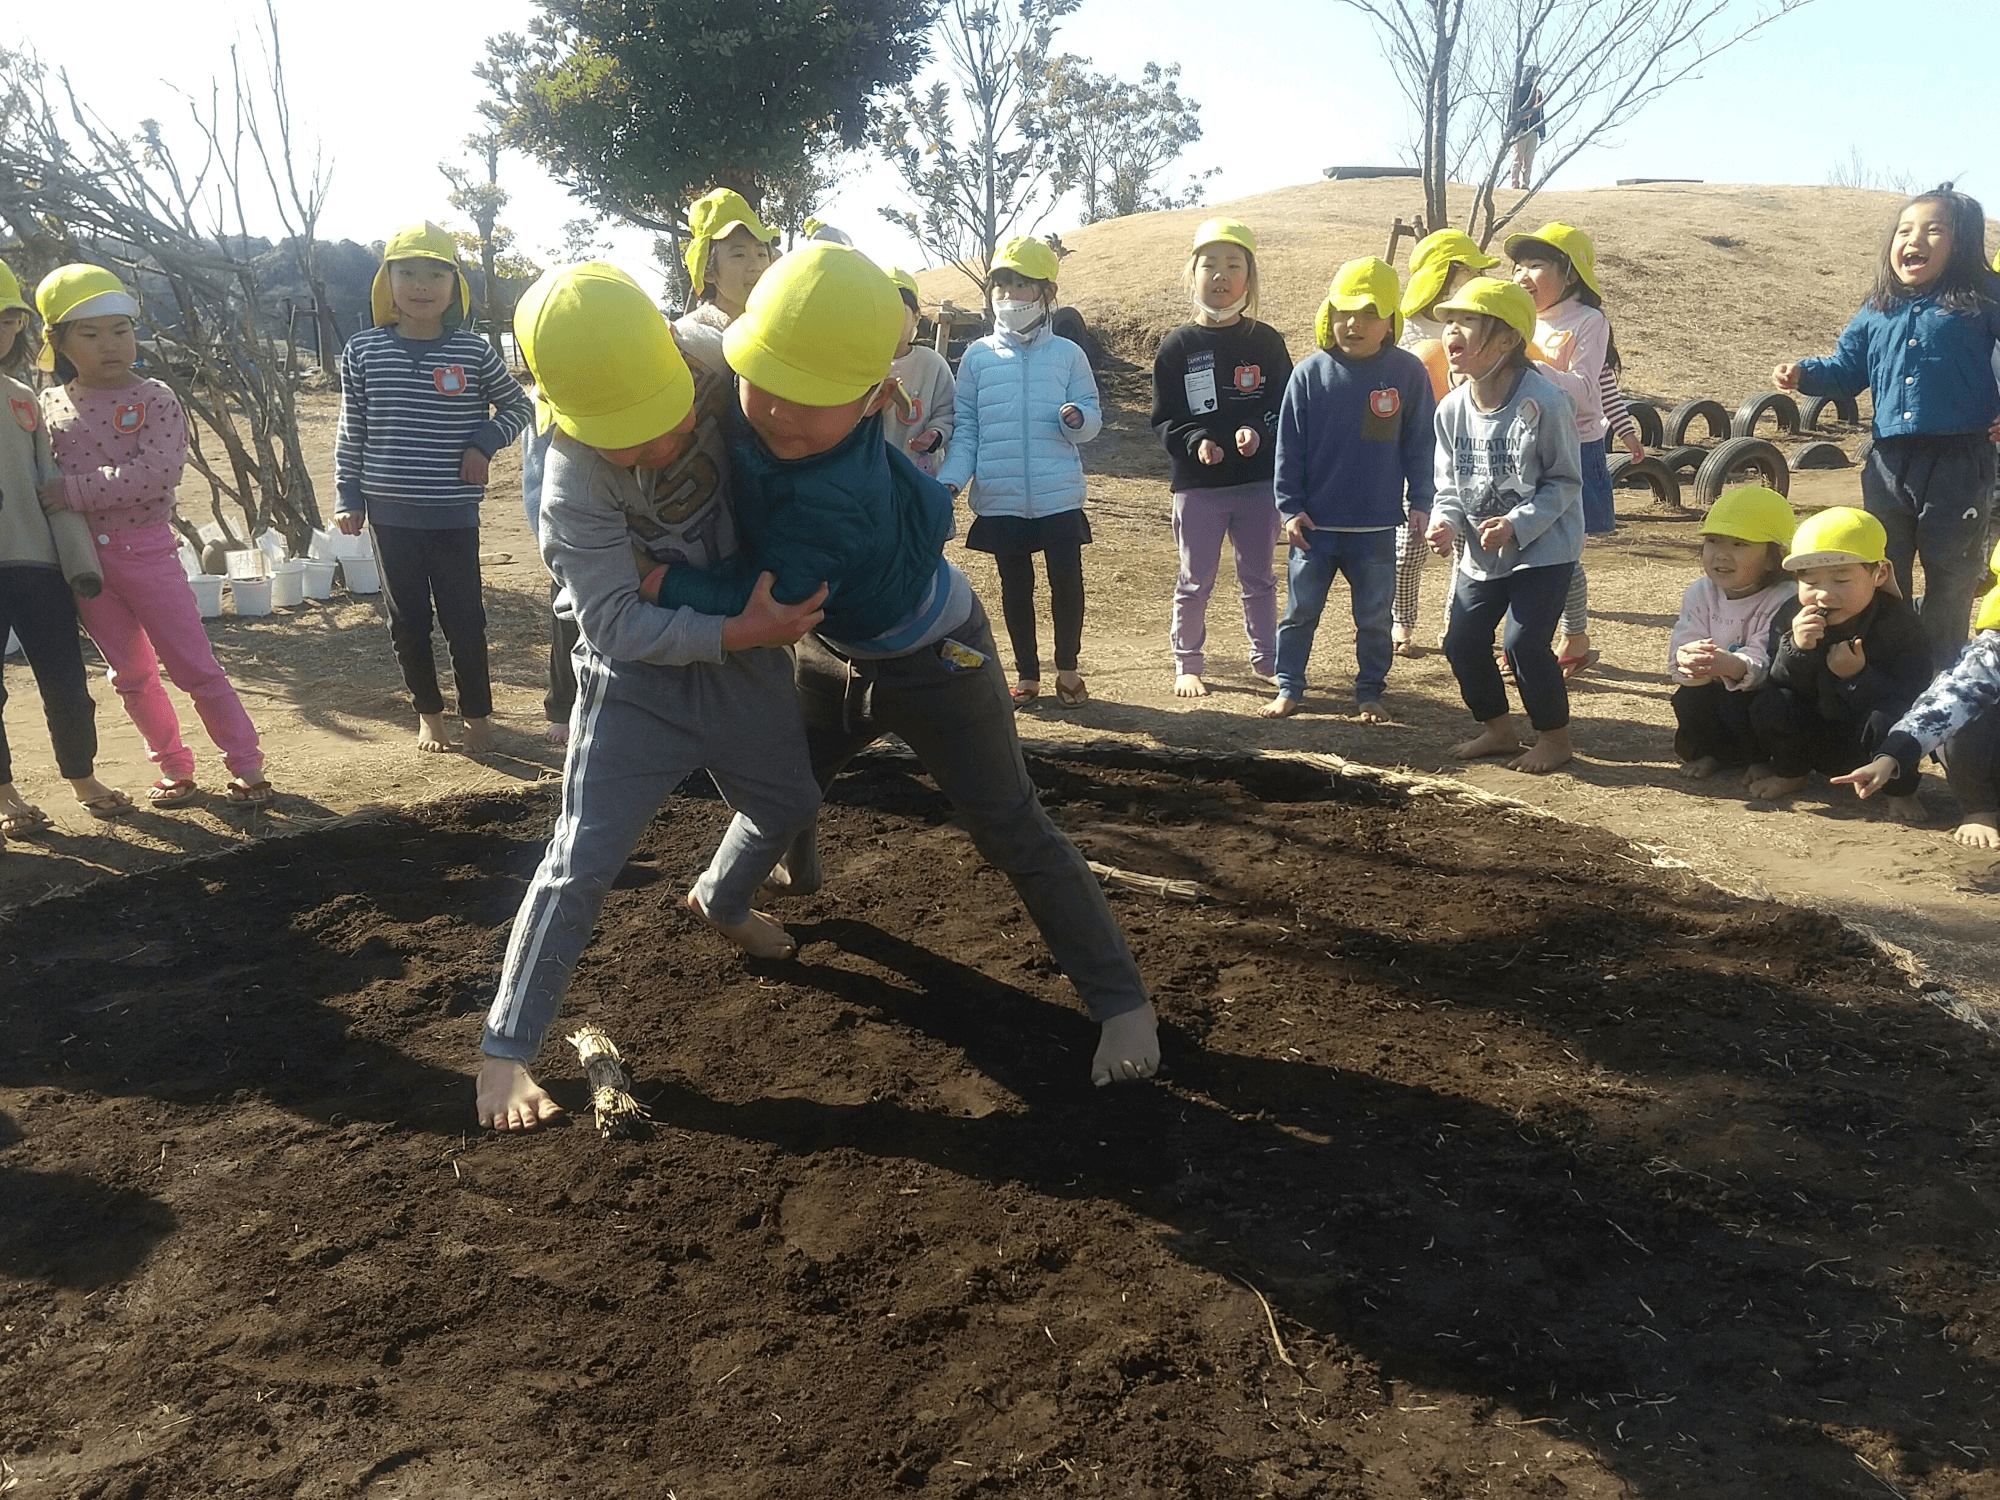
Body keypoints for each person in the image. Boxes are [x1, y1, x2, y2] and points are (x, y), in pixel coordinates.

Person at [676, 241, 1159, 1088]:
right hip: (833, 651)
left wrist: (662, 580)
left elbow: (762, 602)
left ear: (871, 400)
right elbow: (703, 352)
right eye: (766, 380)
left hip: (937, 662)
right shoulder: (757, 397)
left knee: (1010, 826)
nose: (781, 412)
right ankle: (724, 894)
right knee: (778, 781)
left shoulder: (837, 504)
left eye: (813, 398)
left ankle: (1122, 1001)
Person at [477, 261, 829, 1133]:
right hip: (636, 684)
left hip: (744, 658)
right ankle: (504, 1052)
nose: (661, 446)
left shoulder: (713, 354)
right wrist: (734, 631)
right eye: (626, 438)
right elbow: (611, 624)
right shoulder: (568, 479)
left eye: (666, 417)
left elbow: (797, 416)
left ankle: (724, 898)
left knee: (789, 798)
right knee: (582, 857)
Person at [35, 264, 271, 807]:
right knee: (131, 676)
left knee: (194, 666)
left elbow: (157, 473)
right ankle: (175, 770)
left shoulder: (156, 398)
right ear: (58, 341)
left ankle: (248, 766)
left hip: (149, 552)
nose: (109, 345)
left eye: (120, 330)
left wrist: (74, 493)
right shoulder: (48, 405)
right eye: (89, 334)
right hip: (85, 564)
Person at [1775, 184, 2000, 674]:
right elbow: (1848, 366)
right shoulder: (1880, 307)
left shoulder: (1985, 299)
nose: (1913, 239)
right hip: (1887, 462)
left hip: (1961, 459)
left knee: (1951, 573)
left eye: (1932, 230)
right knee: (1881, 567)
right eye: (1904, 230)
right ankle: (1888, 665)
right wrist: (1805, 374)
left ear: (1962, 244)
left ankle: (1939, 674)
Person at [334, 222, 534, 753]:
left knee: (466, 619)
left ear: (454, 286)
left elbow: (520, 405)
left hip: (453, 513)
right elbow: (352, 429)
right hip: (390, 514)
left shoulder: (471, 353)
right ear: (388, 282)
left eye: (435, 274)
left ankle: (477, 718)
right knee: (408, 623)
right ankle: (430, 715)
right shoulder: (363, 351)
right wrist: (347, 496)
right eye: (408, 274)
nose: (421, 286)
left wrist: (482, 443)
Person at [1262, 257, 1434, 722]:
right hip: (1314, 529)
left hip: (1376, 527)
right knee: (1299, 614)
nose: (1353, 324)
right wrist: (1289, 509)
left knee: (1375, 621)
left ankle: (1370, 692)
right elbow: (1288, 448)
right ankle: (1290, 687)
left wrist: (1422, 502)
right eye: (1343, 311)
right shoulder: (1309, 374)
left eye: (1368, 313)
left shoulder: (1409, 374)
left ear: (1391, 320)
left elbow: (1421, 444)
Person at [1424, 276, 1584, 774]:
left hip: (1544, 550)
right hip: (1480, 554)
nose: (1453, 331)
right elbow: (1448, 482)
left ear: (1508, 339)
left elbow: (1564, 482)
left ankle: (1554, 739)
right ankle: (1497, 730)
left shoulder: (1546, 403)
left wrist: (1516, 524)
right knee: (1463, 642)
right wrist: (1446, 523)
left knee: (1522, 644)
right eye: (1450, 320)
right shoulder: (1450, 409)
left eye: (1469, 321)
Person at [938, 237, 1102, 708]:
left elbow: (1091, 417)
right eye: (1002, 286)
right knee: (1016, 589)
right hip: (1001, 496)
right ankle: (1027, 674)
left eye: (1022, 285)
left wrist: (1078, 420)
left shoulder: (1069, 355)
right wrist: (952, 478)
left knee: (1067, 584)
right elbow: (966, 428)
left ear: (1047, 293)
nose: (1010, 295)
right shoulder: (976, 357)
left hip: (1058, 497)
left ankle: (1067, 668)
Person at [0, 256, 128, 838]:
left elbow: (50, 483)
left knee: (66, 682)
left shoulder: (24, 396)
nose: (1, 329)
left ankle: (82, 777)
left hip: (35, 563)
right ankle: (6, 797)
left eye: (8, 317)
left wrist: (78, 562)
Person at [1150, 218, 1292, 698]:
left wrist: (1259, 432)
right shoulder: (1176, 347)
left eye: (1234, 265)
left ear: (1249, 277)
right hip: (1198, 489)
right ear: (1192, 274)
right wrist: (1196, 443)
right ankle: (1187, 663)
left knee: (1260, 578)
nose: (1221, 275)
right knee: (1195, 580)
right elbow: (1164, 419)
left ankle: (1267, 660)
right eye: (1209, 264)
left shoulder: (1267, 342)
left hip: (1257, 485)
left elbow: (1282, 407)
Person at [1507, 222, 1642, 678]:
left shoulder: (1588, 321)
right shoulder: (1516, 317)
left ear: (1569, 273)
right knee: (1516, 545)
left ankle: (1572, 637)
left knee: (1559, 552)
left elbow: (1588, 393)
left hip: (1571, 451)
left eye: (1536, 265)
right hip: (1519, 450)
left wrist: (1532, 363)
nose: (1522, 275)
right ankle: (1531, 640)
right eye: (1517, 266)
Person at [1745, 506, 1931, 818]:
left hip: (1868, 740)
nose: (1824, 595)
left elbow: (1915, 696)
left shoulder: (1900, 624)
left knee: (1893, 718)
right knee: (1770, 702)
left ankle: (1900, 790)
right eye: (1811, 581)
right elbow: (1778, 682)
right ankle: (1793, 773)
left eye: (1841, 579)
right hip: (1814, 731)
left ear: (1879, 574)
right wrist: (1797, 649)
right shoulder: (1792, 616)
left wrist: (1857, 676)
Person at [1837, 538, 2000, 847]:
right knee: (1964, 718)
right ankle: (1980, 808)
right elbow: (1944, 704)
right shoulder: (1992, 652)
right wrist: (1888, 758)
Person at [1393, 229, 1499, 656]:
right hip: (1420, 457)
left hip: (1467, 453)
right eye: (1471, 268)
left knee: (1465, 545)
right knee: (1409, 545)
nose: (1477, 274)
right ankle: (1401, 620)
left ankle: (1457, 623)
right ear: (1451, 273)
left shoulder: (1482, 324)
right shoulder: (1407, 328)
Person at [1666, 486, 1796, 778]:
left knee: (1764, 705)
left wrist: (1734, 666)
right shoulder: (1701, 592)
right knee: (1688, 698)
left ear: (1773, 558)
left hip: (1761, 687)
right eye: (1713, 541)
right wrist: (1688, 659)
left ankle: (1761, 758)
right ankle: (1711, 752)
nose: (1722, 555)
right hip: (1715, 678)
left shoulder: (1786, 597)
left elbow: (1770, 657)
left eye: (1740, 545)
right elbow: (1686, 637)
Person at [676, 188, 780, 367]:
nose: (756, 267)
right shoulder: (689, 340)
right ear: (708, 271)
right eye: (739, 255)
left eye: (762, 254)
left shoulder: (780, 328)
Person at [885, 268, 956, 477]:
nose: (891, 319)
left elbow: (947, 411)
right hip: (873, 477)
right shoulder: (863, 364)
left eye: (900, 311)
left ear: (916, 317)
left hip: (920, 476)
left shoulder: (932, 364)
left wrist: (936, 433)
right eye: (883, 310)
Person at [1509, 67, 1544, 191]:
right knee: (1517, 158)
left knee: (1529, 160)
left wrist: (1542, 132)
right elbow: (1511, 113)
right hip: (1520, 130)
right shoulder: (1518, 91)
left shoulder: (1538, 93)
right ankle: (1514, 184)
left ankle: (1525, 184)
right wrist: (1511, 131)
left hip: (1533, 131)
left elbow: (1540, 114)